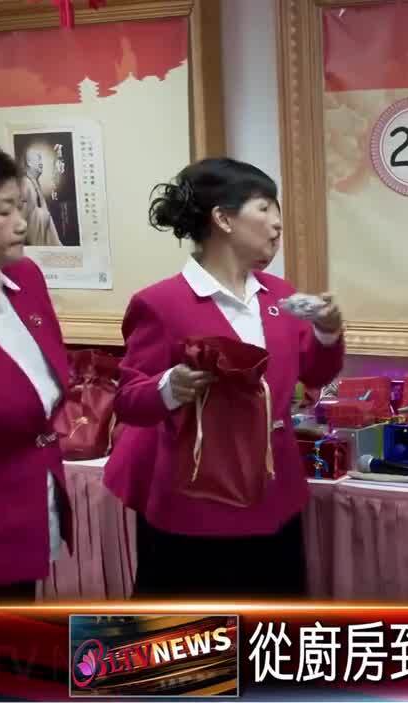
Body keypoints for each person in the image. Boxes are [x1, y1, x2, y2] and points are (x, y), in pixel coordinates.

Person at [106, 158, 345, 599]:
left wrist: (328, 332)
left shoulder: (281, 295)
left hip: (275, 493)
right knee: (197, 632)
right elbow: (128, 400)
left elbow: (316, 372)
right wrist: (169, 387)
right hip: (198, 501)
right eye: (264, 208)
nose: (277, 223)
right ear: (223, 218)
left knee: (274, 628)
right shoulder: (161, 303)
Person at [0, 145, 71, 601]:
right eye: (3, 212)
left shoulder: (25, 279)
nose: (21, 223)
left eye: (20, 207)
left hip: (31, 503)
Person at [21, 151, 60, 247]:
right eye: (38, 159)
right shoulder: (26, 184)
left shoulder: (34, 182)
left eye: (41, 159)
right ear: (29, 162)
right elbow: (23, 218)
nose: (41, 163)